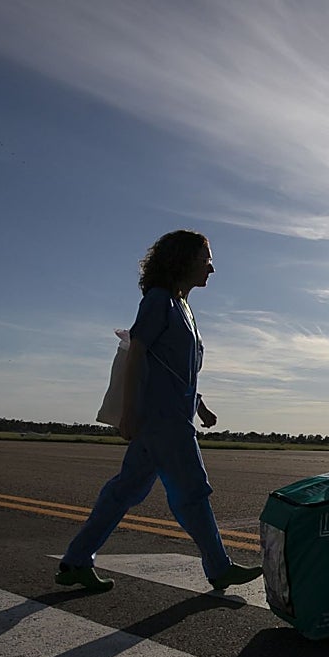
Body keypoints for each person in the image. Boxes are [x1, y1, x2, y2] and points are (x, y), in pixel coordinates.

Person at [56, 230, 263, 592]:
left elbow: (174, 367)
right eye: (206, 258)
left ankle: (75, 560)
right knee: (192, 493)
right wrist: (129, 411)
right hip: (162, 421)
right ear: (183, 260)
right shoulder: (159, 301)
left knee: (124, 491)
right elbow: (138, 352)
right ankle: (218, 567)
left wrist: (200, 406)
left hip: (172, 417)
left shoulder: (184, 307)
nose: (211, 268)